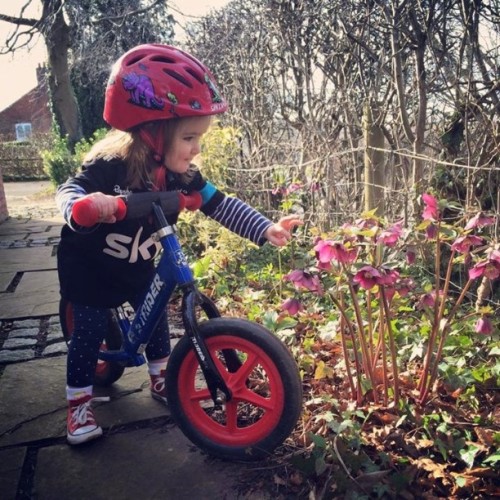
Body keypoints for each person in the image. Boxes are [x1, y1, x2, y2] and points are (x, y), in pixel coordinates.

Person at [56, 44, 302, 446]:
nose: (197, 149)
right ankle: (79, 404)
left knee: (155, 311)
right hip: (91, 268)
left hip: (136, 266)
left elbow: (218, 203)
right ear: (151, 132)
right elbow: (72, 190)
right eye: (189, 137)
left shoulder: (178, 175)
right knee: (89, 330)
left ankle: (161, 376)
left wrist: (264, 228)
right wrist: (85, 206)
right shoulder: (108, 168)